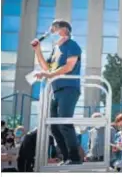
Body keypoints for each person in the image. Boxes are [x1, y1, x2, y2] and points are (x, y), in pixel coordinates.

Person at [32, 19, 82, 165]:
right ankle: (66, 157)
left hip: (69, 88)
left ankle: (74, 157)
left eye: (54, 29)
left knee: (64, 122)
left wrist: (49, 75)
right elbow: (47, 67)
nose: (51, 32)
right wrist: (38, 50)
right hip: (56, 90)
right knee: (54, 126)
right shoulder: (56, 50)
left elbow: (69, 67)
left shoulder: (72, 45)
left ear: (64, 30)